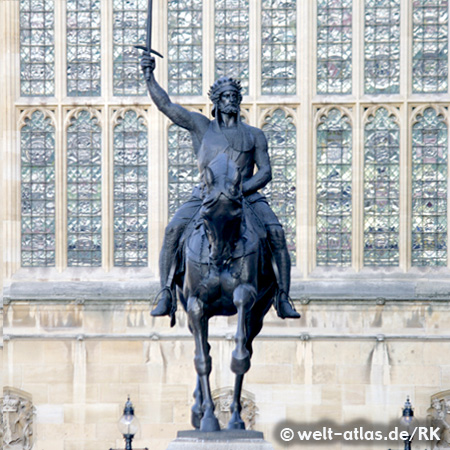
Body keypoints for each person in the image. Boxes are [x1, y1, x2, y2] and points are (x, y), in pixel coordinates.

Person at [140, 52, 299, 319]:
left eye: (235, 96)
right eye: (226, 96)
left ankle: (282, 297)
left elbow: (266, 171)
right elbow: (166, 105)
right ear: (216, 102)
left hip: (246, 195)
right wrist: (149, 78)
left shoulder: (254, 135)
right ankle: (166, 293)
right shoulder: (201, 126)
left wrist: (241, 189)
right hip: (205, 195)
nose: (232, 101)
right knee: (172, 230)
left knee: (276, 234)